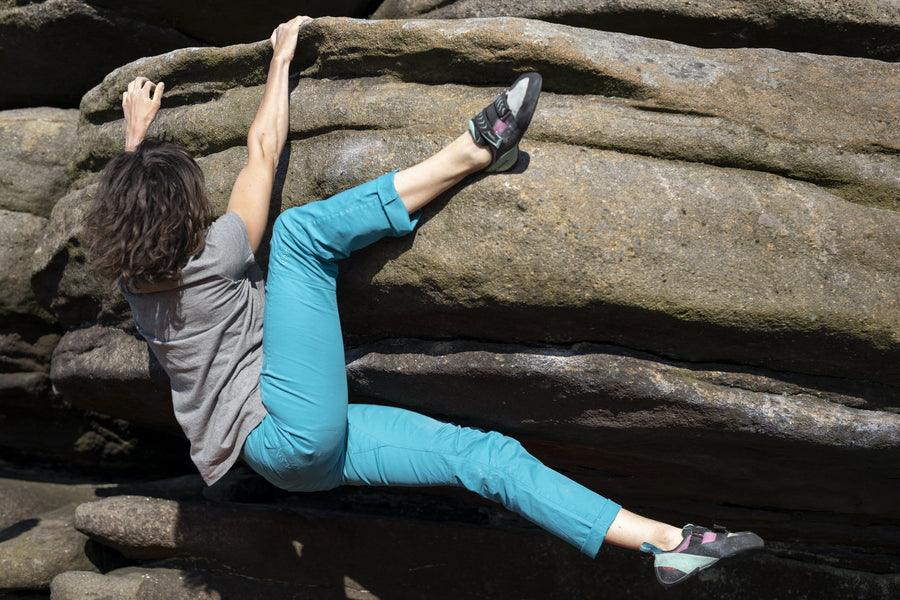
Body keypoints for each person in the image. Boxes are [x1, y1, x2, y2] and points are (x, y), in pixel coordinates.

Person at [85, 16, 763, 587]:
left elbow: (137, 211)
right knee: (299, 235)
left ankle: (670, 545)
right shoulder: (220, 252)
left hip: (290, 463)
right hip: (288, 427)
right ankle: (473, 151)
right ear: (184, 221)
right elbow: (263, 151)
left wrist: (135, 139)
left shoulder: (135, 280)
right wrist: (280, 58)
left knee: (483, 458)